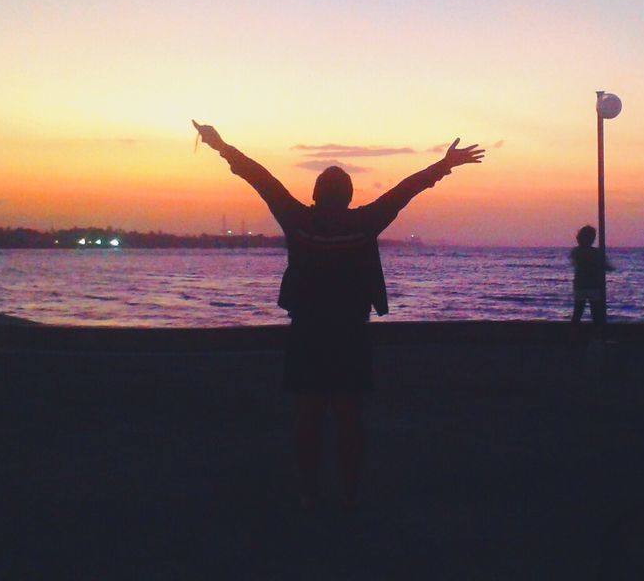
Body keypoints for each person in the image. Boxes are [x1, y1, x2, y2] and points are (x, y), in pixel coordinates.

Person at [193, 120, 484, 508]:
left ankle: (309, 493)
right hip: (350, 333)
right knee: (349, 417)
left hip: (308, 333)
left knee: (307, 416)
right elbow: (404, 191)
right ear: (348, 196)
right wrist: (444, 165)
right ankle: (349, 495)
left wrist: (220, 144)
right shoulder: (363, 223)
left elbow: (259, 177)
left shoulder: (298, 221)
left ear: (315, 194)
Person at [570, 224, 612, 330]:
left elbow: (575, 263)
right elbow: (605, 266)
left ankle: (574, 337)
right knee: (593, 313)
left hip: (582, 285)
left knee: (580, 312)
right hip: (590, 285)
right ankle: (595, 337)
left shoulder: (576, 251)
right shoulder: (594, 253)